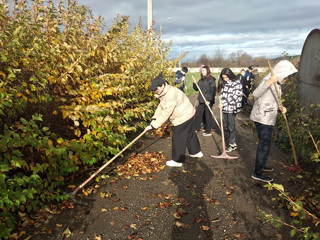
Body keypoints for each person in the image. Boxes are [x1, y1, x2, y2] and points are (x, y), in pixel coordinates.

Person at [250, 60, 298, 182]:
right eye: (286, 77)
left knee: (266, 143)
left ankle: (261, 165)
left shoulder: (277, 83)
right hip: (262, 117)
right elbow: (255, 94)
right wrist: (268, 84)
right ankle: (257, 172)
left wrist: (280, 108)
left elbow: (274, 99)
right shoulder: (268, 80)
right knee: (264, 145)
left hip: (269, 116)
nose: (287, 80)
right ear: (282, 73)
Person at [146, 75, 203, 167]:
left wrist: (154, 125)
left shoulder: (170, 95)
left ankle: (177, 160)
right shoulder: (166, 91)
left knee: (178, 137)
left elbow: (166, 113)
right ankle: (196, 152)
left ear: (162, 85)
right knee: (189, 134)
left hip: (183, 116)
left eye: (156, 89)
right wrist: (154, 118)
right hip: (189, 113)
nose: (155, 91)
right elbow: (161, 106)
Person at [217, 68, 242, 152]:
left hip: (232, 107)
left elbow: (235, 97)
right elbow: (223, 95)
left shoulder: (237, 83)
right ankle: (230, 142)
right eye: (223, 77)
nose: (225, 79)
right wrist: (221, 102)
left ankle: (232, 144)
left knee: (231, 126)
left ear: (230, 75)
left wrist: (224, 103)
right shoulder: (224, 83)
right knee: (225, 125)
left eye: (226, 77)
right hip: (225, 108)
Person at [192, 65, 216, 136]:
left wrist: (209, 100)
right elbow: (197, 89)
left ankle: (208, 131)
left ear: (207, 71)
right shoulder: (201, 80)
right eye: (201, 71)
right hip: (202, 100)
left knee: (207, 116)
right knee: (198, 114)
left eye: (203, 70)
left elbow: (213, 91)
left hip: (208, 101)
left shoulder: (211, 80)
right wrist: (194, 83)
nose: (202, 72)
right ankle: (196, 128)